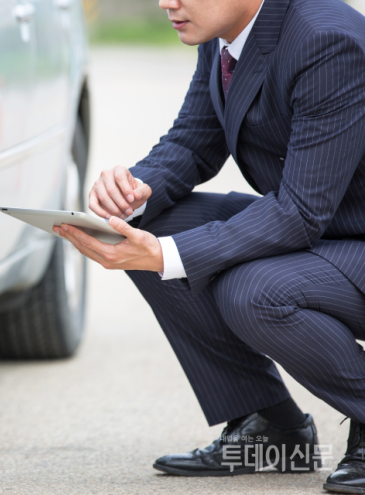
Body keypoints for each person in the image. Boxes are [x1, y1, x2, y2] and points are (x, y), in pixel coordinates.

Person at [53, 0, 365, 491]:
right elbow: (193, 143)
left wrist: (167, 257)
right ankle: (270, 428)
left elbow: (300, 212)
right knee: (148, 229)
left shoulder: (328, 41)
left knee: (253, 292)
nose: (166, 3)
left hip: (347, 236)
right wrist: (135, 194)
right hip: (324, 227)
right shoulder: (226, 32)